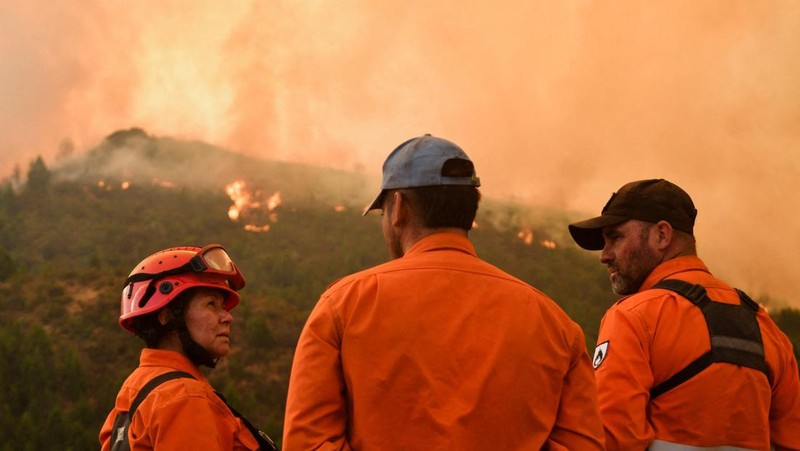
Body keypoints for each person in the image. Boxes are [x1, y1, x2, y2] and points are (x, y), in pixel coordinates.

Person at [282, 134, 604, 450]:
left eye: (383, 213)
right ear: (471, 210)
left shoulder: (343, 305)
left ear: (399, 207)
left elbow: (308, 443)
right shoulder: (555, 323)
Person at [568, 178, 800, 450]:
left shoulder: (633, 318)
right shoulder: (765, 326)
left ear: (662, 235)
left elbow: (612, 439)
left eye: (616, 237)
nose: (604, 255)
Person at [99, 244, 276, 450]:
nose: (227, 317)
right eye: (211, 304)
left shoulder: (136, 388)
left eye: (224, 307)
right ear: (167, 316)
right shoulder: (185, 397)